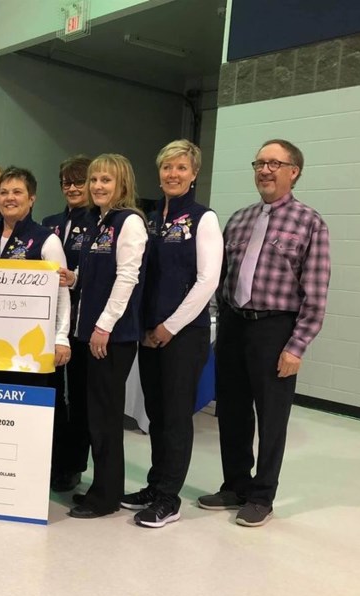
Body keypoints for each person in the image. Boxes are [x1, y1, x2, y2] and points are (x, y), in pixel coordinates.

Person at [198, 139, 330, 527]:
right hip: (234, 325)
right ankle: (235, 484)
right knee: (233, 410)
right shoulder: (238, 219)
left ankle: (261, 494)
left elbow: (316, 292)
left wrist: (297, 346)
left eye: (275, 163)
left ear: (295, 171)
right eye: (259, 162)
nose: (265, 170)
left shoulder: (310, 223)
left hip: (276, 328)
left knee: (271, 417)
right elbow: (220, 280)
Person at [118, 140, 222, 528]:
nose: (172, 175)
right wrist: (146, 327)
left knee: (176, 416)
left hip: (182, 334)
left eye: (181, 168)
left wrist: (169, 327)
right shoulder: (148, 217)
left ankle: (168, 498)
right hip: (149, 333)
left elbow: (207, 280)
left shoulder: (202, 218)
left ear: (194, 174)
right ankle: (154, 484)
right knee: (157, 414)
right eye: (166, 168)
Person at [60, 153, 148, 519]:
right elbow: (98, 276)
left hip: (111, 336)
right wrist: (74, 279)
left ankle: (107, 496)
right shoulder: (98, 222)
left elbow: (127, 277)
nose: (97, 186)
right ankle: (100, 486)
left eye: (105, 181)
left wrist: (104, 326)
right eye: (94, 180)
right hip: (89, 332)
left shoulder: (129, 223)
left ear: (122, 185)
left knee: (105, 416)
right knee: (91, 412)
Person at [0, 166, 72, 386]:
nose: (9, 198)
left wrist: (61, 337)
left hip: (27, 346)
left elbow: (61, 292)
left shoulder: (46, 239)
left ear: (31, 199)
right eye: (4, 192)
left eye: (17, 192)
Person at [41, 155, 97, 493]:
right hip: (46, 325)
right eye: (67, 182)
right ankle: (51, 459)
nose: (72, 188)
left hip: (84, 324)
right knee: (53, 394)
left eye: (79, 181)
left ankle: (74, 465)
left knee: (80, 398)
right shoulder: (48, 224)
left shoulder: (100, 224)